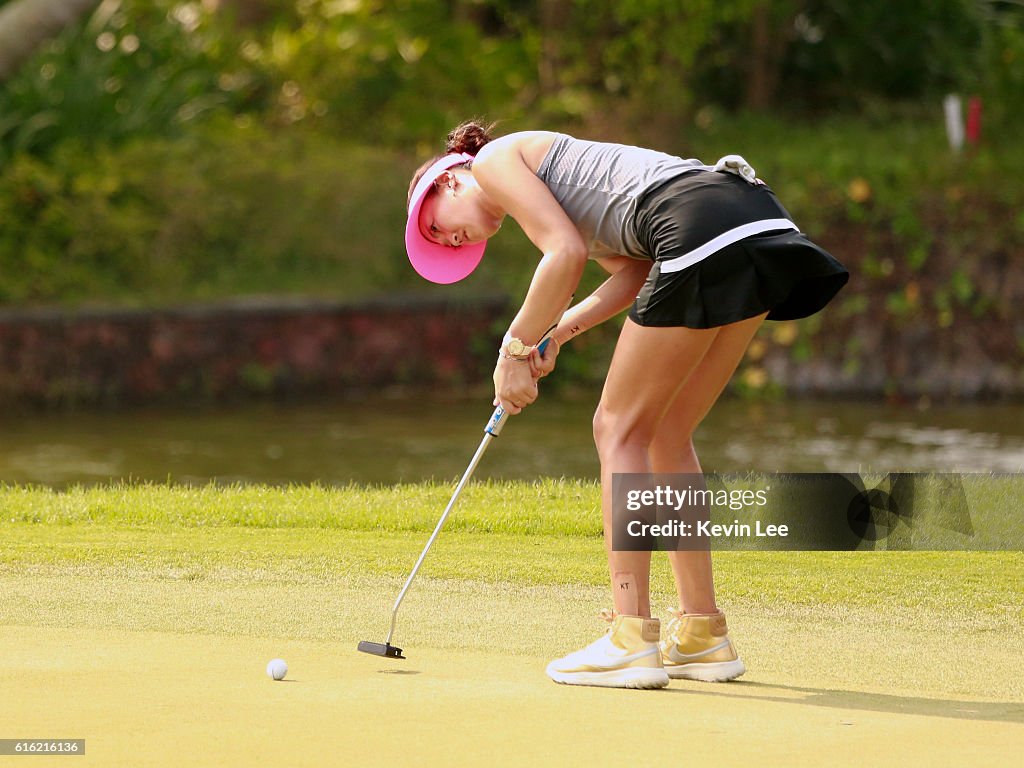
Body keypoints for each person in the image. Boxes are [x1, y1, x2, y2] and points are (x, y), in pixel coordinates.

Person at [404, 121, 849, 690]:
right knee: (664, 431)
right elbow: (635, 273)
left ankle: (629, 634)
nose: (452, 242)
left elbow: (562, 255)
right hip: (753, 219)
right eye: (445, 247)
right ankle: (703, 635)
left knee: (617, 428)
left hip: (700, 222)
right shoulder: (556, 199)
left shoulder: (491, 160)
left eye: (437, 229)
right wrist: (555, 334)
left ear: (447, 179)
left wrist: (513, 349)